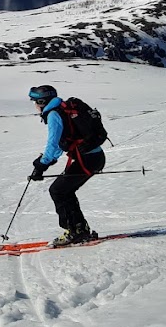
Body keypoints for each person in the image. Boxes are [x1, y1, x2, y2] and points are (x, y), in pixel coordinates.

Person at [28, 85, 106, 246]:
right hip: (93, 157)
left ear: (42, 101)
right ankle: (79, 229)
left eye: (35, 102)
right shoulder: (62, 108)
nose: (34, 105)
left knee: (58, 191)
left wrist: (41, 165)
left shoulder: (54, 114)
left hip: (88, 158)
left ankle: (75, 232)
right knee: (64, 190)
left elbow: (54, 144)